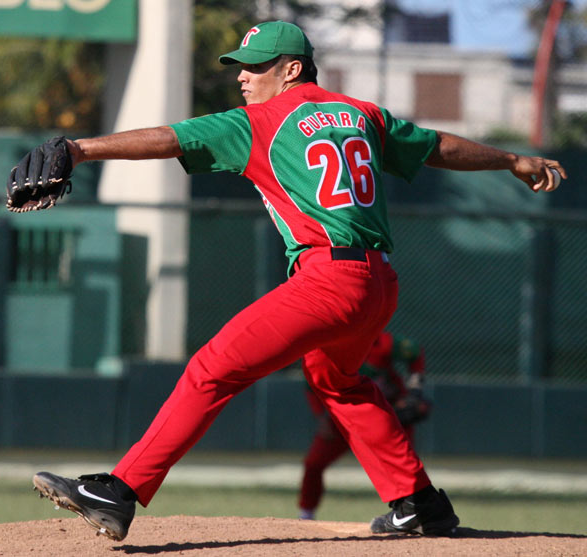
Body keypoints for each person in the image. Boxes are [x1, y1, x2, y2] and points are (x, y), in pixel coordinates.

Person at [28, 20, 566, 541]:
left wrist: (80, 149)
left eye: (255, 67)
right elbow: (435, 146)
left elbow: (170, 138)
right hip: (377, 282)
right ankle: (419, 504)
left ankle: (120, 490)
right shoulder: (361, 113)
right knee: (339, 382)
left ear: (291, 70)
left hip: (327, 279)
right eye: (238, 67)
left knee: (212, 368)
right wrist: (511, 159)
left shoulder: (259, 122)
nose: (242, 76)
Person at [298, 330, 430, 520]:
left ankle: (415, 510)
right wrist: (321, 416)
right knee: (313, 463)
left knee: (408, 467)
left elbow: (414, 352)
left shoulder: (381, 342)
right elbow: (311, 382)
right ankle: (306, 513)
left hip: (383, 414)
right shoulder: (329, 345)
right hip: (340, 416)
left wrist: (415, 390)